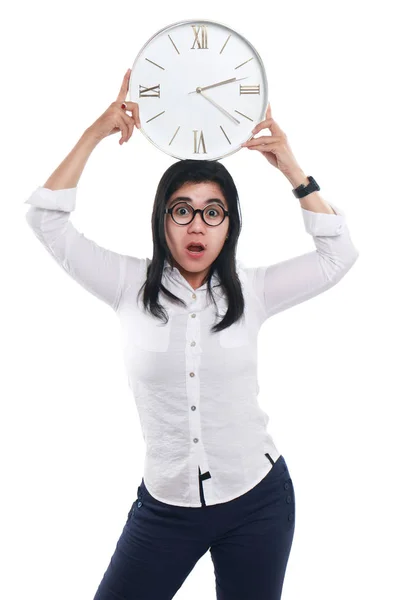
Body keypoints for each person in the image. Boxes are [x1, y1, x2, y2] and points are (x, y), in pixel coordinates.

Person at [24, 68, 359, 600]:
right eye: (182, 210)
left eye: (212, 212)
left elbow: (339, 254)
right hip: (165, 511)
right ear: (162, 219)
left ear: (230, 225)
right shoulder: (126, 284)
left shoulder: (255, 290)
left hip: (259, 500)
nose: (197, 226)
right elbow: (45, 219)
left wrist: (291, 167)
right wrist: (95, 132)